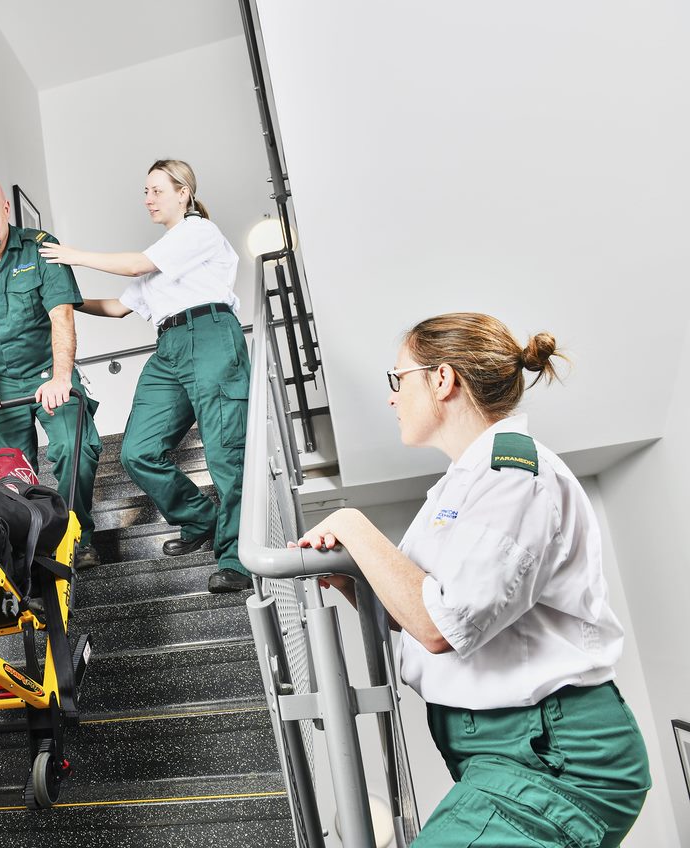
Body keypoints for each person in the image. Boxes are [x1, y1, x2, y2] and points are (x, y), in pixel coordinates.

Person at [295, 313, 649, 846]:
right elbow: (415, 613)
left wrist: (351, 523)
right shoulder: (456, 490)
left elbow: (442, 625)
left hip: (556, 755)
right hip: (505, 752)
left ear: (443, 379)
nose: (392, 398)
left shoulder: (516, 476)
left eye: (398, 379)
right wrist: (353, 581)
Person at [38, 159, 251, 593]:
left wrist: (73, 255)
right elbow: (118, 308)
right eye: (146, 191)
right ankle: (201, 518)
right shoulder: (164, 253)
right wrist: (62, 297)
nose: (147, 199)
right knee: (137, 451)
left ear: (183, 193)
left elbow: (136, 265)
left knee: (226, 453)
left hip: (210, 334)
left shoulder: (198, 233)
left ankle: (236, 559)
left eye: (156, 190)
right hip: (169, 347)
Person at [0, 177, 102, 568]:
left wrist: (62, 377)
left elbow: (61, 315)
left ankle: (74, 535)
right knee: (2, 468)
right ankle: (22, 551)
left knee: (73, 447)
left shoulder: (40, 247)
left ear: (5, 211)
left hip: (49, 371)